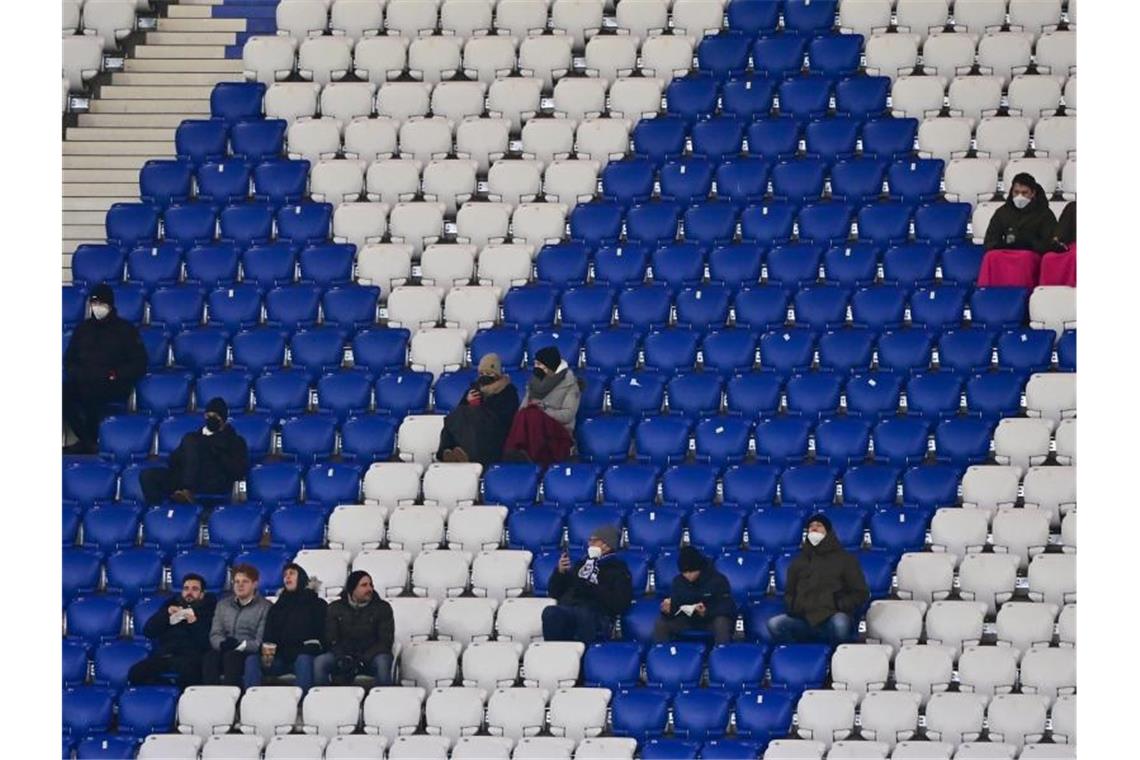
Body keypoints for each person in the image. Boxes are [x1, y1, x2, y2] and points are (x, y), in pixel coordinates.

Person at [63, 283, 147, 454]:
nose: (97, 308)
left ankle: (90, 441)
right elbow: (69, 359)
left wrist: (116, 374)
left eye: (101, 304)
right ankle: (87, 440)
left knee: (93, 393)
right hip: (83, 380)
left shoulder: (125, 330)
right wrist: (77, 374)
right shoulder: (82, 329)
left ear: (110, 305)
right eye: (94, 303)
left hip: (111, 383)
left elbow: (139, 362)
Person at [768, 514, 869, 645]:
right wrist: (794, 607)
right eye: (811, 527)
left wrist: (838, 605)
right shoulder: (798, 562)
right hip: (804, 619)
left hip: (832, 617)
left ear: (828, 532)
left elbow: (861, 593)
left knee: (840, 623)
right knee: (775, 624)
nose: (814, 529)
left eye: (819, 526)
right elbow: (789, 593)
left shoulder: (845, 560)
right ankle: (802, 656)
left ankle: (836, 659)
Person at [140, 397, 249, 505]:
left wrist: (219, 453)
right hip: (185, 477)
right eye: (208, 415)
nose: (211, 418)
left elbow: (238, 471)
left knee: (190, 442)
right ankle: (158, 512)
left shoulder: (235, 441)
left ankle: (187, 490)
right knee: (148, 476)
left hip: (212, 480)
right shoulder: (193, 437)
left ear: (223, 420)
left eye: (215, 416)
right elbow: (173, 461)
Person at [542, 525, 633, 643]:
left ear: (606, 545)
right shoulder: (581, 564)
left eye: (593, 540)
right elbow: (554, 593)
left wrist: (592, 586)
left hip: (597, 613)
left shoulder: (618, 570)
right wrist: (560, 573)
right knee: (551, 613)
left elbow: (620, 603)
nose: (589, 544)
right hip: (570, 608)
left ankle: (586, 656)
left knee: (585, 615)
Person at [246, 563, 327, 693]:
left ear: (301, 577)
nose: (287, 577)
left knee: (303, 660)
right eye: (285, 575)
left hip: (303, 655)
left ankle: (303, 704)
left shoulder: (317, 604)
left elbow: (321, 637)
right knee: (252, 659)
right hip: (280, 657)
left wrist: (311, 646)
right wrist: (267, 650)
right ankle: (250, 699)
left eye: (292, 573)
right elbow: (269, 635)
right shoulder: (278, 606)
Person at [128, 573, 216, 689]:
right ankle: (167, 689)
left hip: (192, 657)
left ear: (202, 594)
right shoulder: (171, 605)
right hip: (167, 655)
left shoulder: (209, 611)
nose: (189, 592)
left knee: (191, 672)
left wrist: (194, 623)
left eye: (195, 589)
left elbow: (207, 643)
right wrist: (166, 614)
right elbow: (148, 631)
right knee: (135, 673)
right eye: (186, 588)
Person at [437, 353, 520, 465]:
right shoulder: (474, 389)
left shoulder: (508, 391)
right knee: (454, 416)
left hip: (495, 433)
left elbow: (506, 418)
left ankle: (468, 456)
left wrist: (479, 409)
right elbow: (460, 412)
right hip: (473, 429)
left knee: (470, 414)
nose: (484, 376)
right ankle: (447, 453)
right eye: (482, 373)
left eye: (488, 373)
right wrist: (466, 401)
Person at [503, 346, 581, 464]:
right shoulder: (534, 383)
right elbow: (521, 410)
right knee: (526, 413)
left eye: (539, 364)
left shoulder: (570, 385)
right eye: (535, 364)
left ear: (549, 365)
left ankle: (525, 454)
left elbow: (568, 415)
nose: (536, 368)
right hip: (533, 428)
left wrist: (543, 409)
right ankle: (516, 453)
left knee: (534, 414)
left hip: (558, 431)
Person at [315, 571, 395, 686]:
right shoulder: (335, 608)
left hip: (371, 657)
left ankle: (382, 700)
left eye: (371, 585)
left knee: (383, 662)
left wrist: (362, 660)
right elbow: (331, 639)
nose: (369, 589)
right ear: (352, 589)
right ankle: (322, 700)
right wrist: (344, 657)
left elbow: (385, 641)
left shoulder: (383, 608)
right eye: (364, 585)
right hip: (344, 656)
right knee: (320, 662)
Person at [203, 564, 272, 687]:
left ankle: (233, 696)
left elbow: (260, 641)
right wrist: (222, 644)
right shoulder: (222, 605)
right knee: (210, 657)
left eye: (245, 581)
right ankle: (211, 695)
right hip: (224, 648)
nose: (240, 585)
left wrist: (240, 645)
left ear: (255, 584)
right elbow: (215, 633)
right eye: (237, 581)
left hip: (248, 652)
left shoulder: (265, 607)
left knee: (232, 657)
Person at [653, 546, 737, 645]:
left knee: (722, 622)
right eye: (685, 572)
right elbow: (675, 605)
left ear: (699, 568)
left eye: (691, 571)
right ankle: (663, 655)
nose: (688, 575)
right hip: (687, 620)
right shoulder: (678, 582)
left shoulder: (718, 580)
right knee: (661, 623)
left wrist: (707, 612)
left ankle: (722, 655)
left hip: (710, 619)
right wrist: (668, 610)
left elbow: (727, 607)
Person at [983, 173, 1059, 254]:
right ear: (1011, 192)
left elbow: (1050, 245)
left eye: (1024, 193)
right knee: (991, 256)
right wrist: (1005, 245)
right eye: (1016, 192)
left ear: (1033, 193)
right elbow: (990, 242)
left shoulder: (1045, 214)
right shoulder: (1002, 213)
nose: (1019, 196)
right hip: (1006, 254)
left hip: (1032, 255)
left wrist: (1029, 242)